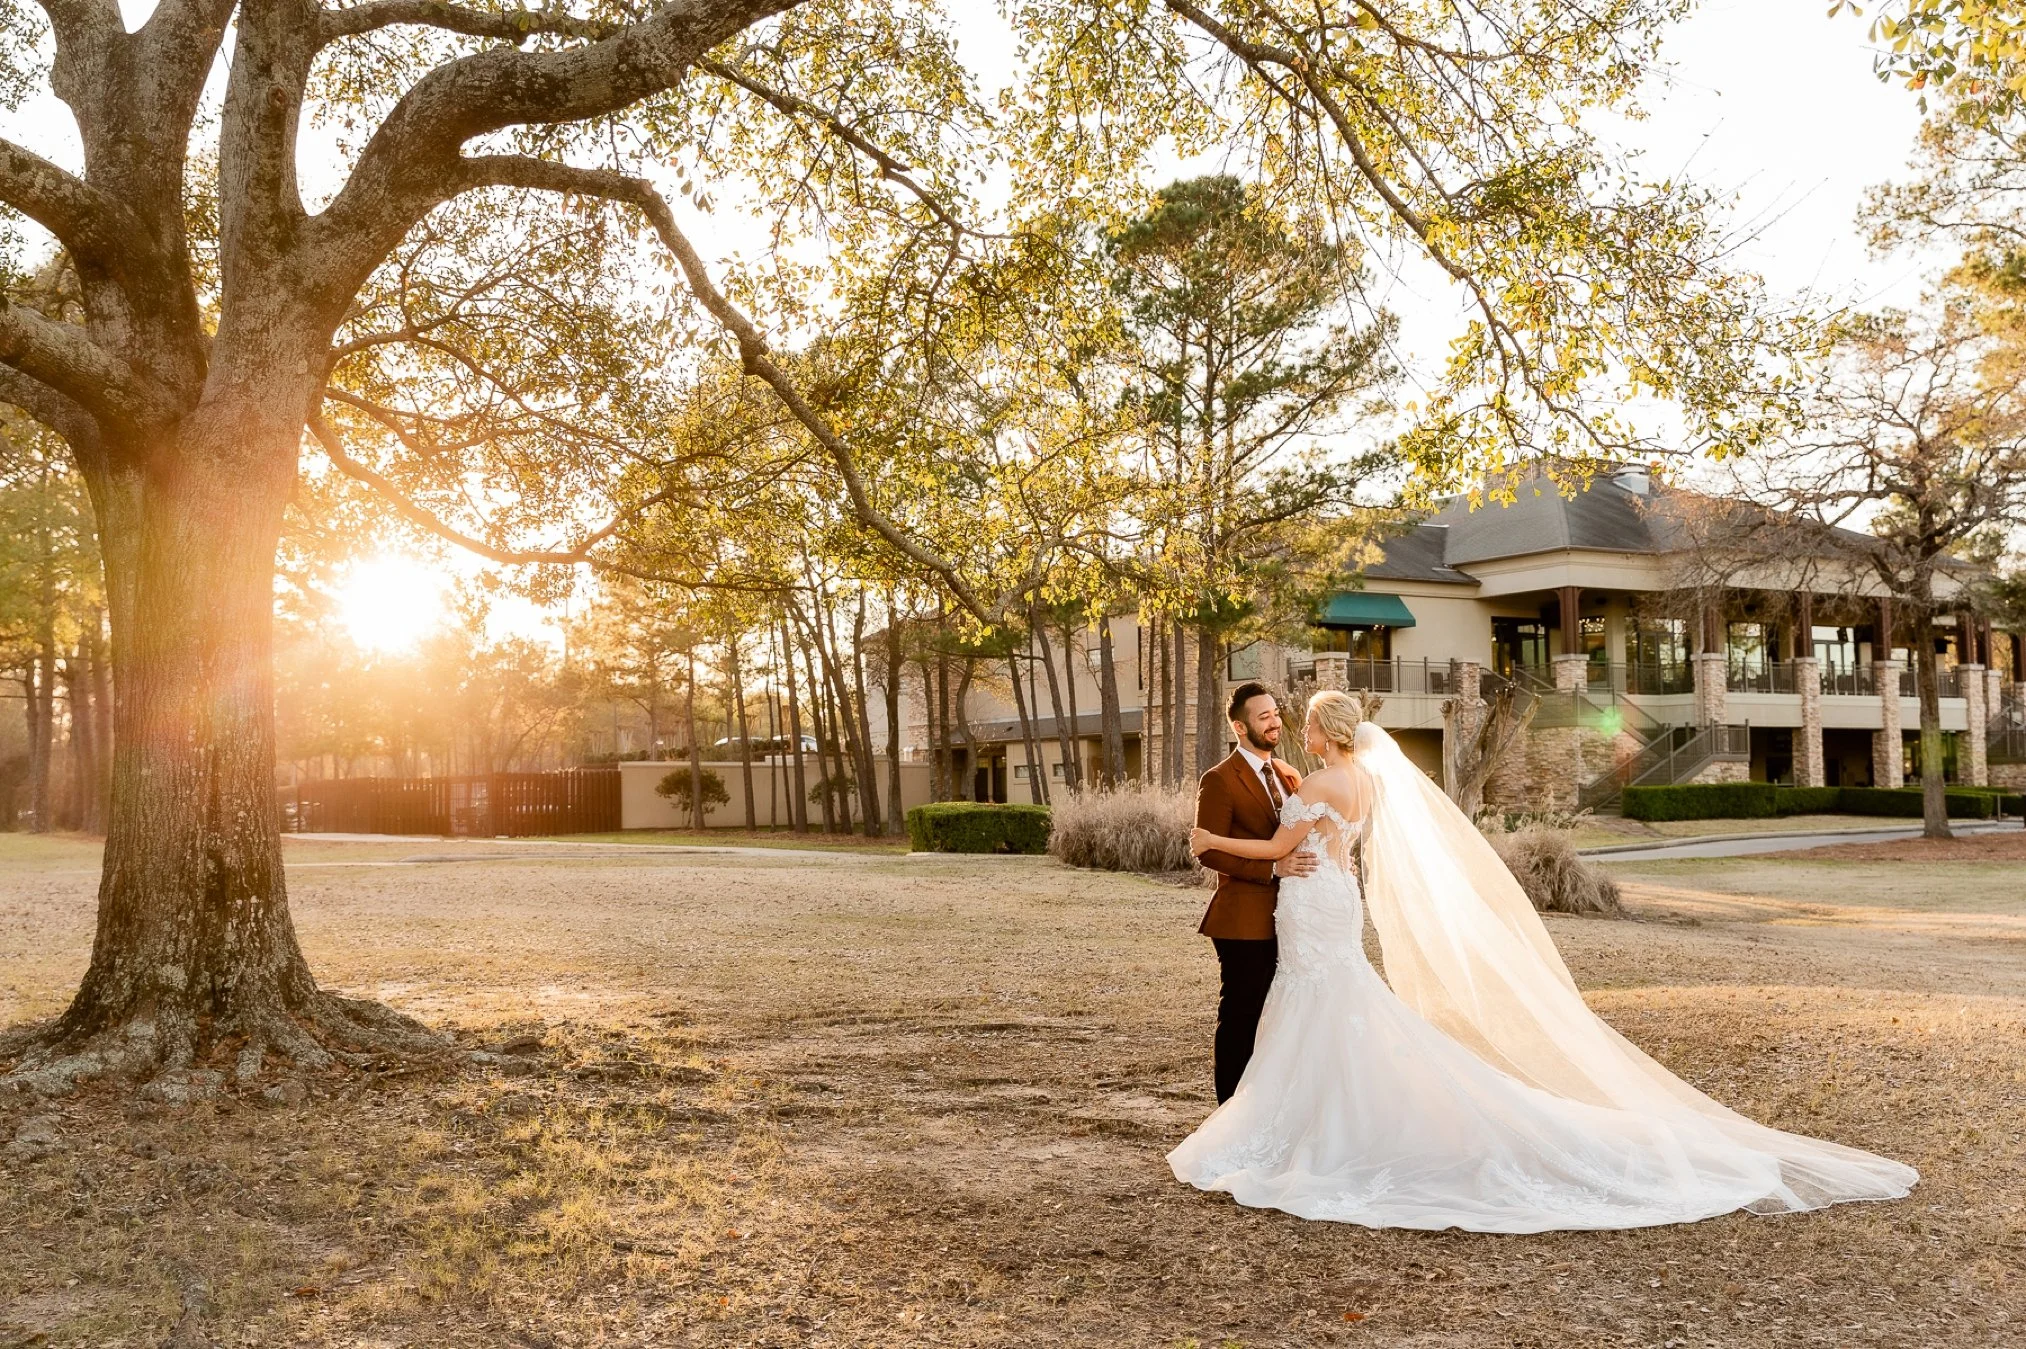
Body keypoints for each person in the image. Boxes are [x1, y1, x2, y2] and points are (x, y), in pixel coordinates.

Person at [1168, 690, 1916, 1232]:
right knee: (1328, 1008)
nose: (1292, 728)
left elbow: (1272, 847)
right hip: (1328, 903)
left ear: (1323, 733)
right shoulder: (1362, 782)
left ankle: (1305, 1128)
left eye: (1301, 722)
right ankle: (1301, 1117)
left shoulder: (1323, 781)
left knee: (1320, 1007)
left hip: (1314, 903)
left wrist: (1207, 844)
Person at [1193, 682, 1318, 1105]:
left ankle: (1265, 1108)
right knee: (1242, 1017)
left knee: (1278, 1017)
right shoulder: (1219, 780)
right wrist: (1270, 867)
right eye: (1263, 716)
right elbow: (1208, 850)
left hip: (1291, 916)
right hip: (1242, 919)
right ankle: (1228, 1112)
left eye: (1275, 713)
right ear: (1239, 726)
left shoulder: (1288, 775)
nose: (1274, 722)